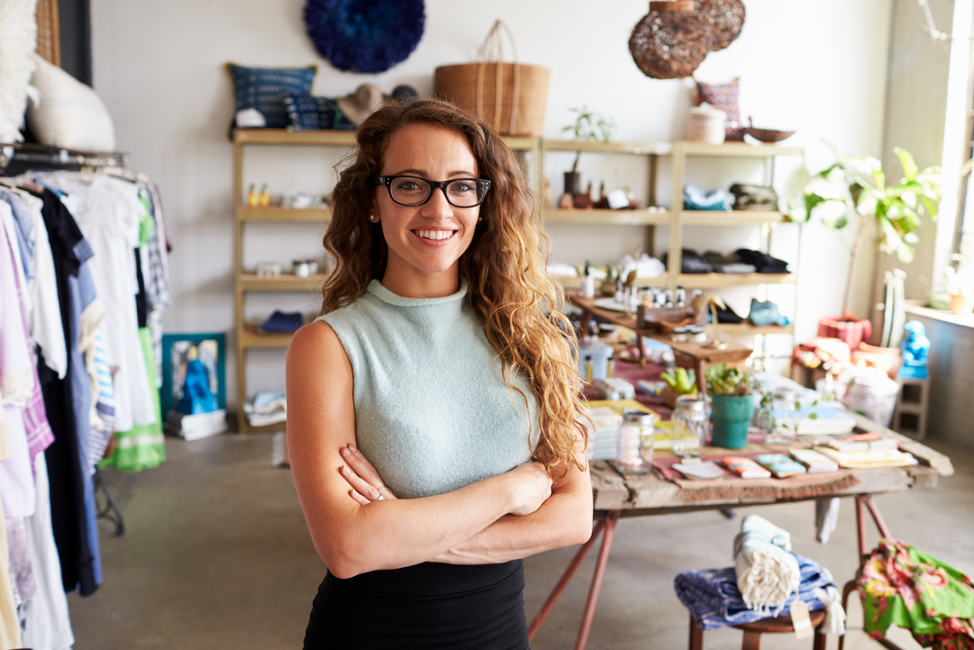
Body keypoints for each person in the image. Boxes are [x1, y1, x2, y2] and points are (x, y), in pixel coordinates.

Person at [286, 98, 592, 649]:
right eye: (410, 184)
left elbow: (573, 517)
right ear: (373, 201)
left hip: (500, 634)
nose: (438, 208)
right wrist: (511, 488)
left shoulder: (530, 334)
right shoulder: (328, 347)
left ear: (482, 203)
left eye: (460, 186)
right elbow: (348, 548)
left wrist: (402, 529)